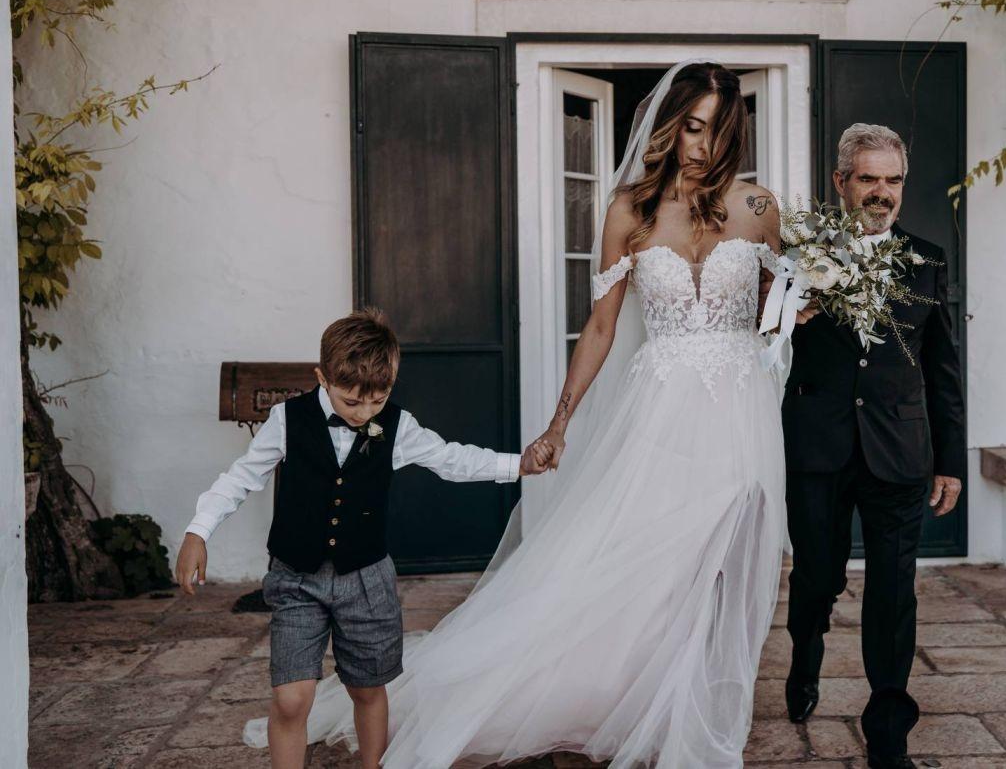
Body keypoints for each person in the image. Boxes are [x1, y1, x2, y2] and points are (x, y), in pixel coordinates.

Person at [257, 60, 789, 768]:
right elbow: (601, 326)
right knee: (654, 564)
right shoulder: (629, 212)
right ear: (669, 125)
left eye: (718, 131)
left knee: (731, 563)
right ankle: (644, 702)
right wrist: (561, 419)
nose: (703, 145)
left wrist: (816, 302)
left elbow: (778, 313)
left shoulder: (759, 206)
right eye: (692, 127)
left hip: (740, 413)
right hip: (660, 410)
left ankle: (703, 712)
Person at [175, 308, 546, 769]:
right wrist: (198, 530)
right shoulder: (287, 420)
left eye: (377, 401)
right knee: (291, 698)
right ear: (322, 378)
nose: (365, 413)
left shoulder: (397, 425)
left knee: (368, 690)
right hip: (297, 579)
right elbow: (240, 477)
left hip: (366, 580)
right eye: (352, 402)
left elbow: (452, 460)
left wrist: (518, 464)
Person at [782, 123, 966, 769]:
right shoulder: (800, 255)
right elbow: (762, 339)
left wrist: (950, 461)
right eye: (868, 179)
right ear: (841, 182)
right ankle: (805, 653)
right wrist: (786, 311)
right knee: (816, 577)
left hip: (900, 450)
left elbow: (942, 367)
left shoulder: (929, 259)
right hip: (818, 448)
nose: (881, 192)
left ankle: (888, 735)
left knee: (893, 593)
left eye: (893, 180)